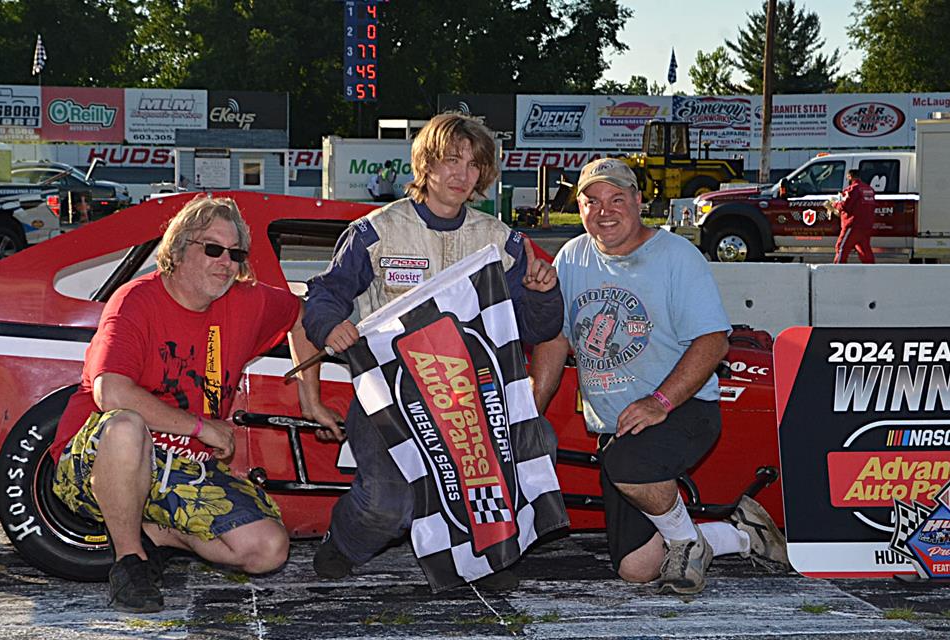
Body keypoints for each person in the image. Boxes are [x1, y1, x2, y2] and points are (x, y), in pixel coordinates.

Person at [302, 112, 563, 590]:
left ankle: (490, 556)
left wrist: (543, 291)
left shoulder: (499, 241)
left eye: (472, 164)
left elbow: (535, 326)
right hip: (392, 397)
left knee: (533, 444)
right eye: (449, 160)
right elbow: (323, 294)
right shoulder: (375, 232)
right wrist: (330, 325)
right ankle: (344, 542)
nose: (461, 174)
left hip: (473, 400)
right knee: (388, 502)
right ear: (425, 164)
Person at [50, 196, 342, 613]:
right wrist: (202, 428)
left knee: (269, 550)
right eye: (213, 248)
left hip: (183, 467)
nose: (226, 262)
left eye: (236, 253)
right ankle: (131, 562)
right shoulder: (136, 300)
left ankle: (155, 532)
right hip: (99, 464)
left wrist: (310, 401)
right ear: (177, 249)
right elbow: (110, 393)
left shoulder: (245, 301)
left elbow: (301, 315)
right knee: (127, 426)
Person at [530, 158, 788, 596]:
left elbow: (713, 342)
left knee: (628, 463)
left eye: (616, 199)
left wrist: (659, 402)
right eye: (592, 201)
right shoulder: (572, 256)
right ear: (579, 207)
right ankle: (741, 535)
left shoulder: (675, 255)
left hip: (684, 409)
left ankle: (686, 540)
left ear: (638, 200)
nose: (604, 210)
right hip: (619, 429)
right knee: (636, 569)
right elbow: (555, 340)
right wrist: (530, 411)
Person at [832, 168, 877, 264]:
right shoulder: (869, 189)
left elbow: (845, 205)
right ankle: (872, 271)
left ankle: (836, 272)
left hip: (853, 225)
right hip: (866, 225)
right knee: (864, 250)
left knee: (841, 248)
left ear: (849, 177)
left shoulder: (852, 189)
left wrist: (835, 204)